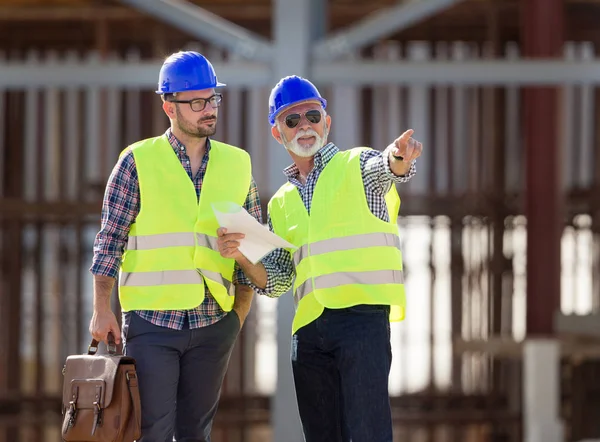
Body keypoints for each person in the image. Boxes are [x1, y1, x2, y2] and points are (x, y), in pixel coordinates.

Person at [217, 75, 422, 442]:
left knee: (367, 433)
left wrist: (398, 159)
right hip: (309, 332)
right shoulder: (280, 201)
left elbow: (386, 169)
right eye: (291, 120)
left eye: (312, 116)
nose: (304, 126)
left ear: (326, 122)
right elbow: (279, 278)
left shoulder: (356, 165)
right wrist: (242, 258)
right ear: (277, 133)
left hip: (362, 321)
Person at [89, 50, 261, 442]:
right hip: (153, 324)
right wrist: (101, 309)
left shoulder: (238, 164)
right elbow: (109, 240)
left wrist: (239, 314)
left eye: (213, 99)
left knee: (195, 434)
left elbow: (252, 245)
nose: (209, 110)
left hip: (214, 323)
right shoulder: (137, 161)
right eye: (197, 102)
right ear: (169, 106)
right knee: (152, 431)